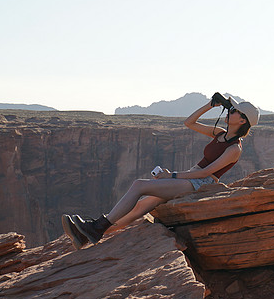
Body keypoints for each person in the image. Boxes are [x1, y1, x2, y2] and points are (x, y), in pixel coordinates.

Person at [62, 94, 259, 249]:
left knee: (140, 185)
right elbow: (189, 123)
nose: (230, 111)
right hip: (191, 177)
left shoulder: (234, 149)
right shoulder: (220, 133)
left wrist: (171, 175)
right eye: (231, 109)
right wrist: (211, 105)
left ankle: (96, 228)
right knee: (140, 207)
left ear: (242, 121)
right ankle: (87, 236)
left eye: (234, 111)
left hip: (202, 184)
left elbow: (204, 173)